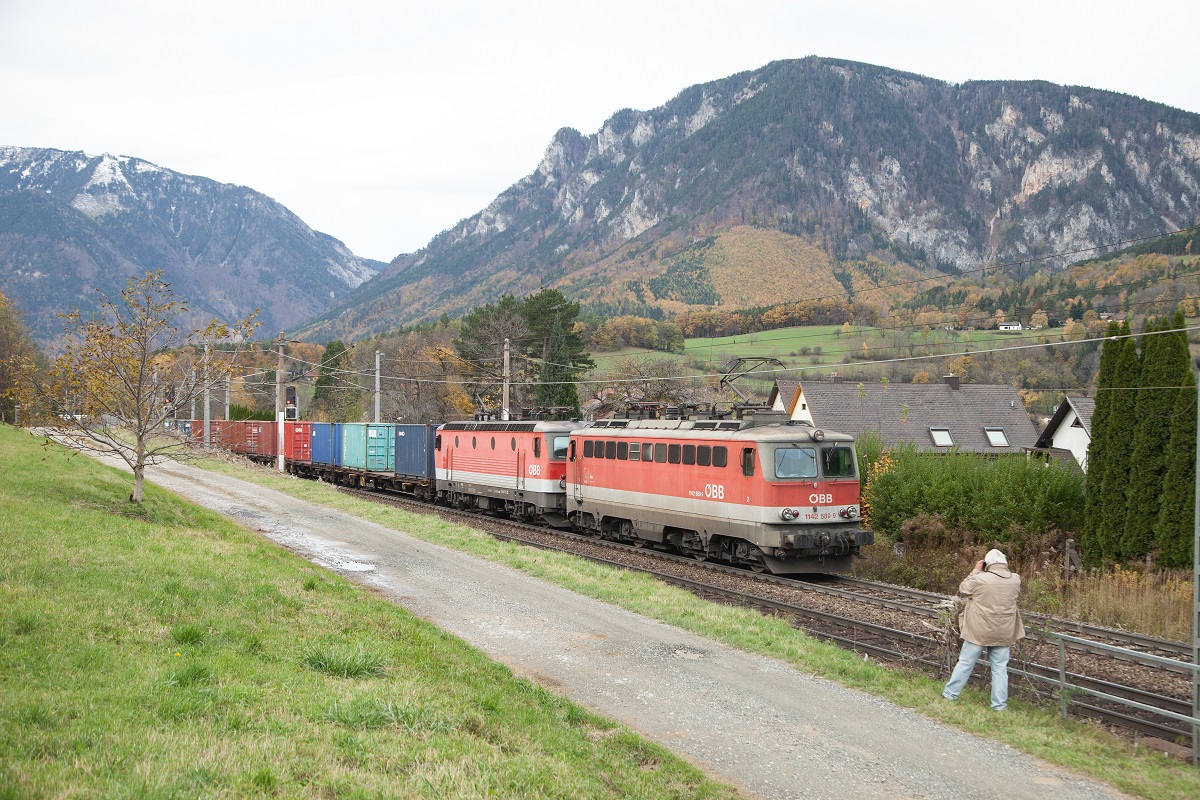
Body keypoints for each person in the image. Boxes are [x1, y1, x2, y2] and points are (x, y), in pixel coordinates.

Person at [941, 548, 1025, 711]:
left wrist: (975, 571)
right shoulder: (1015, 579)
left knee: (965, 663)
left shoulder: (980, 579)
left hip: (978, 632)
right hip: (1004, 632)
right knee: (1000, 669)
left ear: (987, 564)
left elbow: (964, 589)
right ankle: (999, 705)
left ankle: (950, 695)